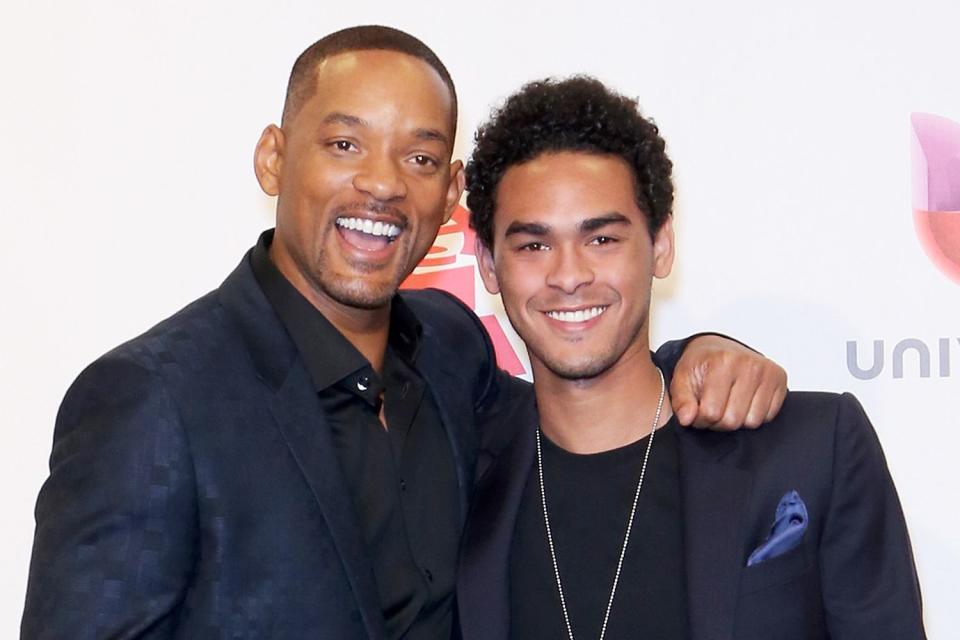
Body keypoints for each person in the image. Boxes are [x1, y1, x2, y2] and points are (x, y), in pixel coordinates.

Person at [21, 27, 788, 640]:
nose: (383, 184)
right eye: (345, 144)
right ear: (274, 158)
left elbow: (583, 398)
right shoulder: (152, 399)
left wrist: (700, 356)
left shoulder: (452, 351)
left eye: (419, 156)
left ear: (450, 192)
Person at [457, 77, 925, 640]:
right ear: (487, 263)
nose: (569, 275)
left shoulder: (815, 447)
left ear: (661, 245)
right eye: (533, 245)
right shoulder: (460, 474)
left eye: (602, 239)